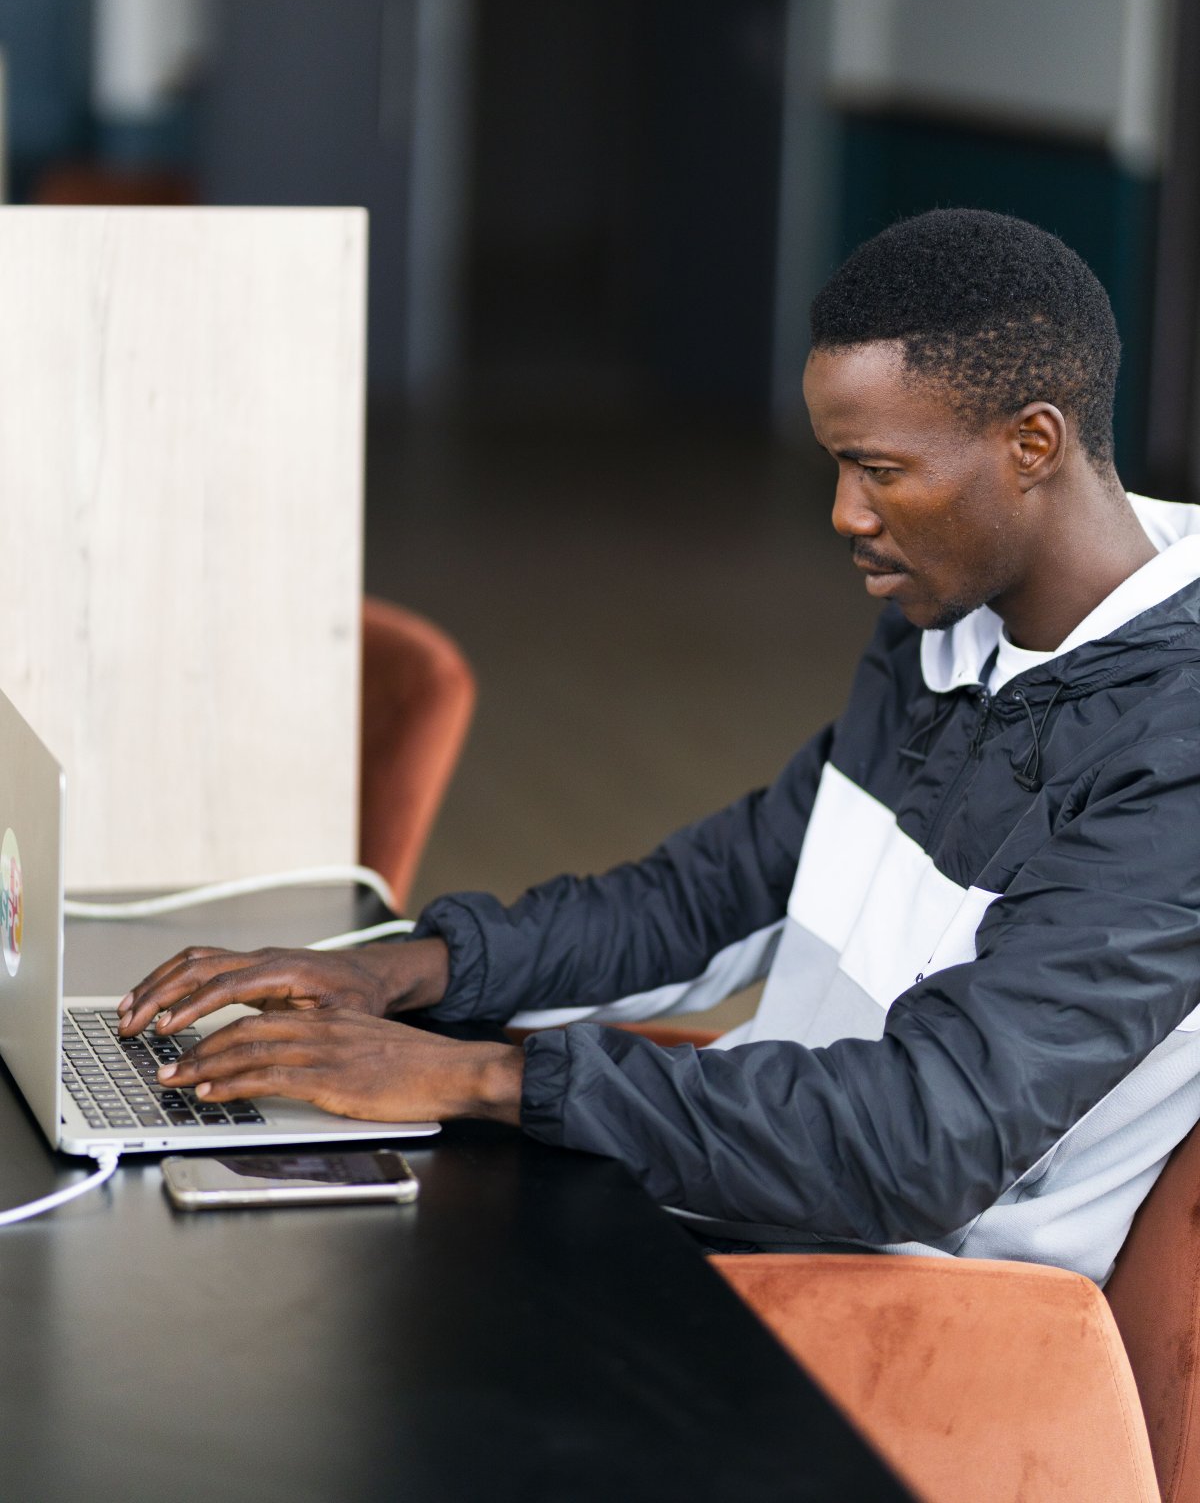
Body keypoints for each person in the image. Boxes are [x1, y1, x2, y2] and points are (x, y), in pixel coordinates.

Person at [119, 208, 1200, 1285]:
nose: (842, 514)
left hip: (905, 1304)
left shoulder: (1174, 754)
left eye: (879, 469)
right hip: (755, 1196)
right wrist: (403, 973)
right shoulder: (955, 625)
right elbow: (715, 898)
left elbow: (924, 1139)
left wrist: (491, 1080)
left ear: (1033, 443)